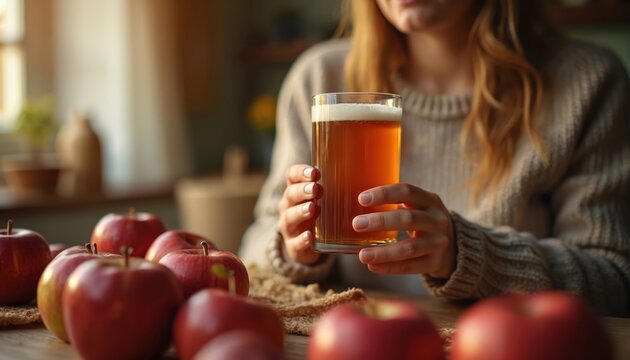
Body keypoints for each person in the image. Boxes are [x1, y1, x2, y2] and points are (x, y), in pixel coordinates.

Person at [240, 0, 630, 316]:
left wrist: (469, 254)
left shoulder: (587, 84)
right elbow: (252, 253)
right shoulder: (320, 77)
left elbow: (615, 281)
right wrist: (292, 251)